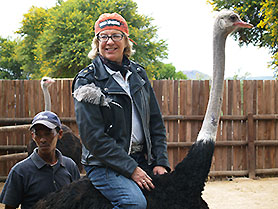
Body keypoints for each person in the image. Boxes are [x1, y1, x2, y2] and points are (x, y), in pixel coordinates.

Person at [72, 12, 170, 209]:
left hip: (141, 158)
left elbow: (155, 122)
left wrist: (160, 161)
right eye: (104, 36)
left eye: (116, 35)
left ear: (126, 41)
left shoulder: (139, 74)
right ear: (97, 42)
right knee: (133, 203)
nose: (110, 42)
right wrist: (131, 168)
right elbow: (93, 138)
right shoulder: (87, 81)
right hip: (104, 164)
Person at [0, 111, 80, 209]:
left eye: (48, 134)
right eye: (38, 134)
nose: (42, 139)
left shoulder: (70, 166)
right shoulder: (20, 171)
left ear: (60, 134)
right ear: (33, 136)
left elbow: (78, 201)